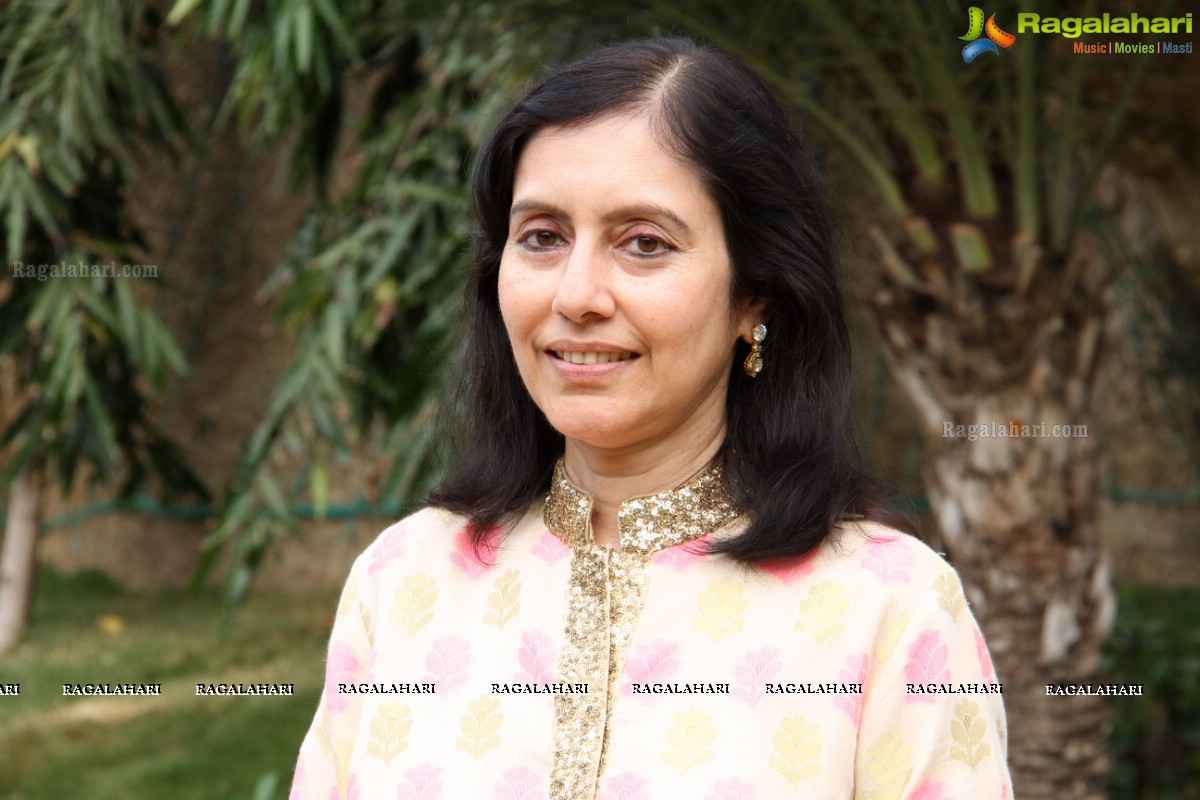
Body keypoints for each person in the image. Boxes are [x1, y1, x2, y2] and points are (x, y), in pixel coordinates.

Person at [290, 37, 1013, 799]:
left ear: (754, 296)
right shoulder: (404, 582)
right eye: (541, 237)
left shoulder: (890, 613)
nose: (577, 295)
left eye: (644, 243)